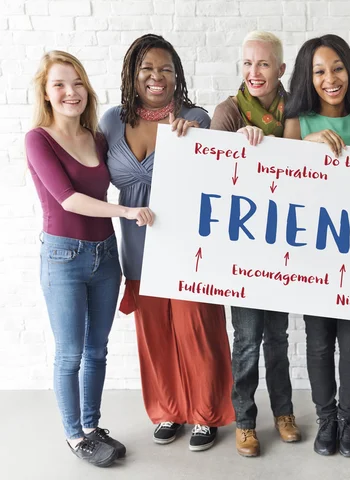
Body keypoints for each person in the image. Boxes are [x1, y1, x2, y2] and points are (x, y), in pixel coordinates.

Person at [100, 34, 235, 452]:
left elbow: (220, 181)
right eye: (147, 69)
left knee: (198, 331)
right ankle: (168, 410)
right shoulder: (110, 121)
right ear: (132, 76)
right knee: (154, 334)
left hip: (187, 249)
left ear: (177, 76)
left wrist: (195, 141)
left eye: (165, 69)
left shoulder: (196, 118)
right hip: (138, 247)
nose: (156, 76)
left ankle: (205, 415)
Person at [26, 51, 153, 467]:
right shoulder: (38, 139)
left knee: (97, 349)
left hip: (105, 254)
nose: (70, 92)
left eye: (77, 82)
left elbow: (136, 167)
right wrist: (127, 212)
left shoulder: (97, 136)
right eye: (60, 84)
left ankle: (91, 427)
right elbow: (70, 199)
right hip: (63, 256)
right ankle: (74, 435)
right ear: (46, 93)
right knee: (70, 353)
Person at [284, 34, 350, 458]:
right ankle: (325, 419)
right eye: (319, 71)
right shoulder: (297, 121)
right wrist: (307, 145)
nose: (330, 78)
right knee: (319, 341)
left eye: (337, 68)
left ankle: (348, 420)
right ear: (308, 77)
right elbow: (274, 170)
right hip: (313, 251)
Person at [211, 31, 300, 457]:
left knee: (278, 338)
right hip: (243, 250)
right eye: (247, 64)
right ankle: (245, 420)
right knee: (246, 339)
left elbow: (308, 169)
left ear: (280, 69)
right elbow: (213, 175)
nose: (254, 72)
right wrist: (239, 151)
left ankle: (284, 412)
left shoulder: (296, 110)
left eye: (263, 64)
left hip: (283, 246)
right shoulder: (229, 112)